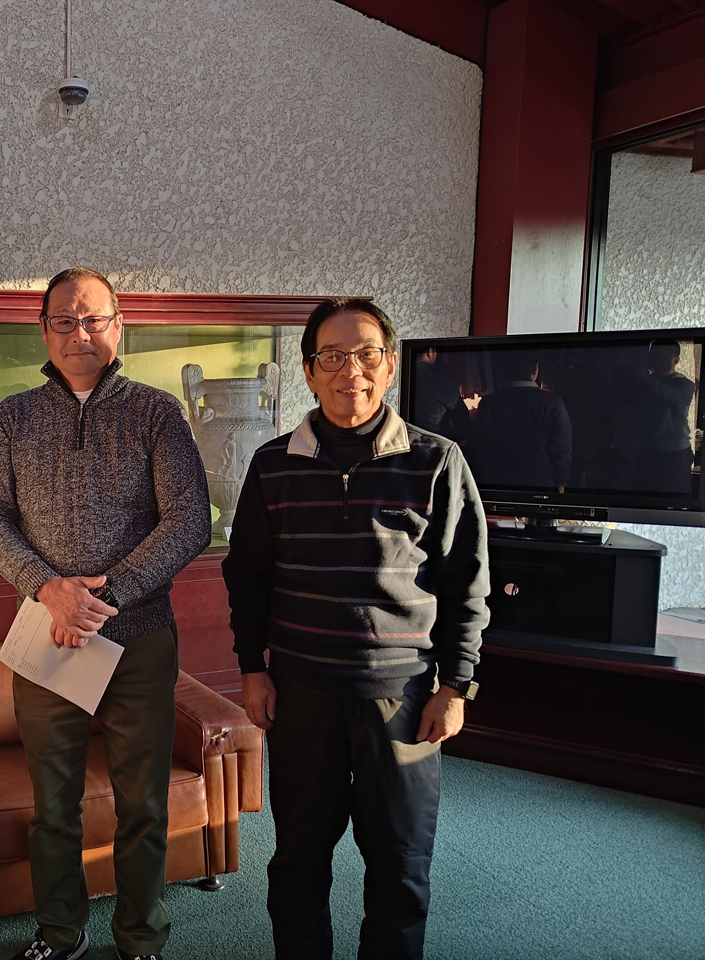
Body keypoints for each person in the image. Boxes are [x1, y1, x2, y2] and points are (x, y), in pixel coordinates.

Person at [221, 297, 489, 960]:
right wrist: (252, 670)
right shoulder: (273, 464)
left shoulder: (437, 460)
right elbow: (247, 577)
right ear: (309, 371)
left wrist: (455, 686)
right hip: (301, 694)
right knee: (297, 861)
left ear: (389, 365)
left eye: (366, 354)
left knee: (400, 868)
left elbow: (466, 583)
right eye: (333, 357)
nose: (351, 371)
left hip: (403, 700)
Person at [0, 267, 212, 960]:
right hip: (48, 634)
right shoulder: (14, 416)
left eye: (94, 319)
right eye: (65, 320)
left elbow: (189, 519)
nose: (80, 333)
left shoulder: (156, 412)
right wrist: (48, 589)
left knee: (143, 803)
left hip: (139, 639)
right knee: (53, 805)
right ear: (44, 329)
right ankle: (59, 932)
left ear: (118, 325)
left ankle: (140, 937)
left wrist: (111, 595)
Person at [464, 354, 572, 491]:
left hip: (497, 484)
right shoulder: (552, 402)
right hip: (539, 485)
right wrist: (560, 485)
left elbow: (478, 447)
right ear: (535, 369)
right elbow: (562, 450)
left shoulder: (489, 402)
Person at [638, 339, 696, 494]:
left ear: (676, 360)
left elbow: (674, 397)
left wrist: (647, 380)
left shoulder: (685, 385)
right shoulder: (645, 384)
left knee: (674, 499)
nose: (657, 359)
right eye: (654, 355)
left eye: (663, 355)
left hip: (675, 454)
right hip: (648, 451)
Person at [411, 346, 471, 443]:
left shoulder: (398, 380)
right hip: (437, 445)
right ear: (429, 352)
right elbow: (464, 427)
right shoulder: (442, 383)